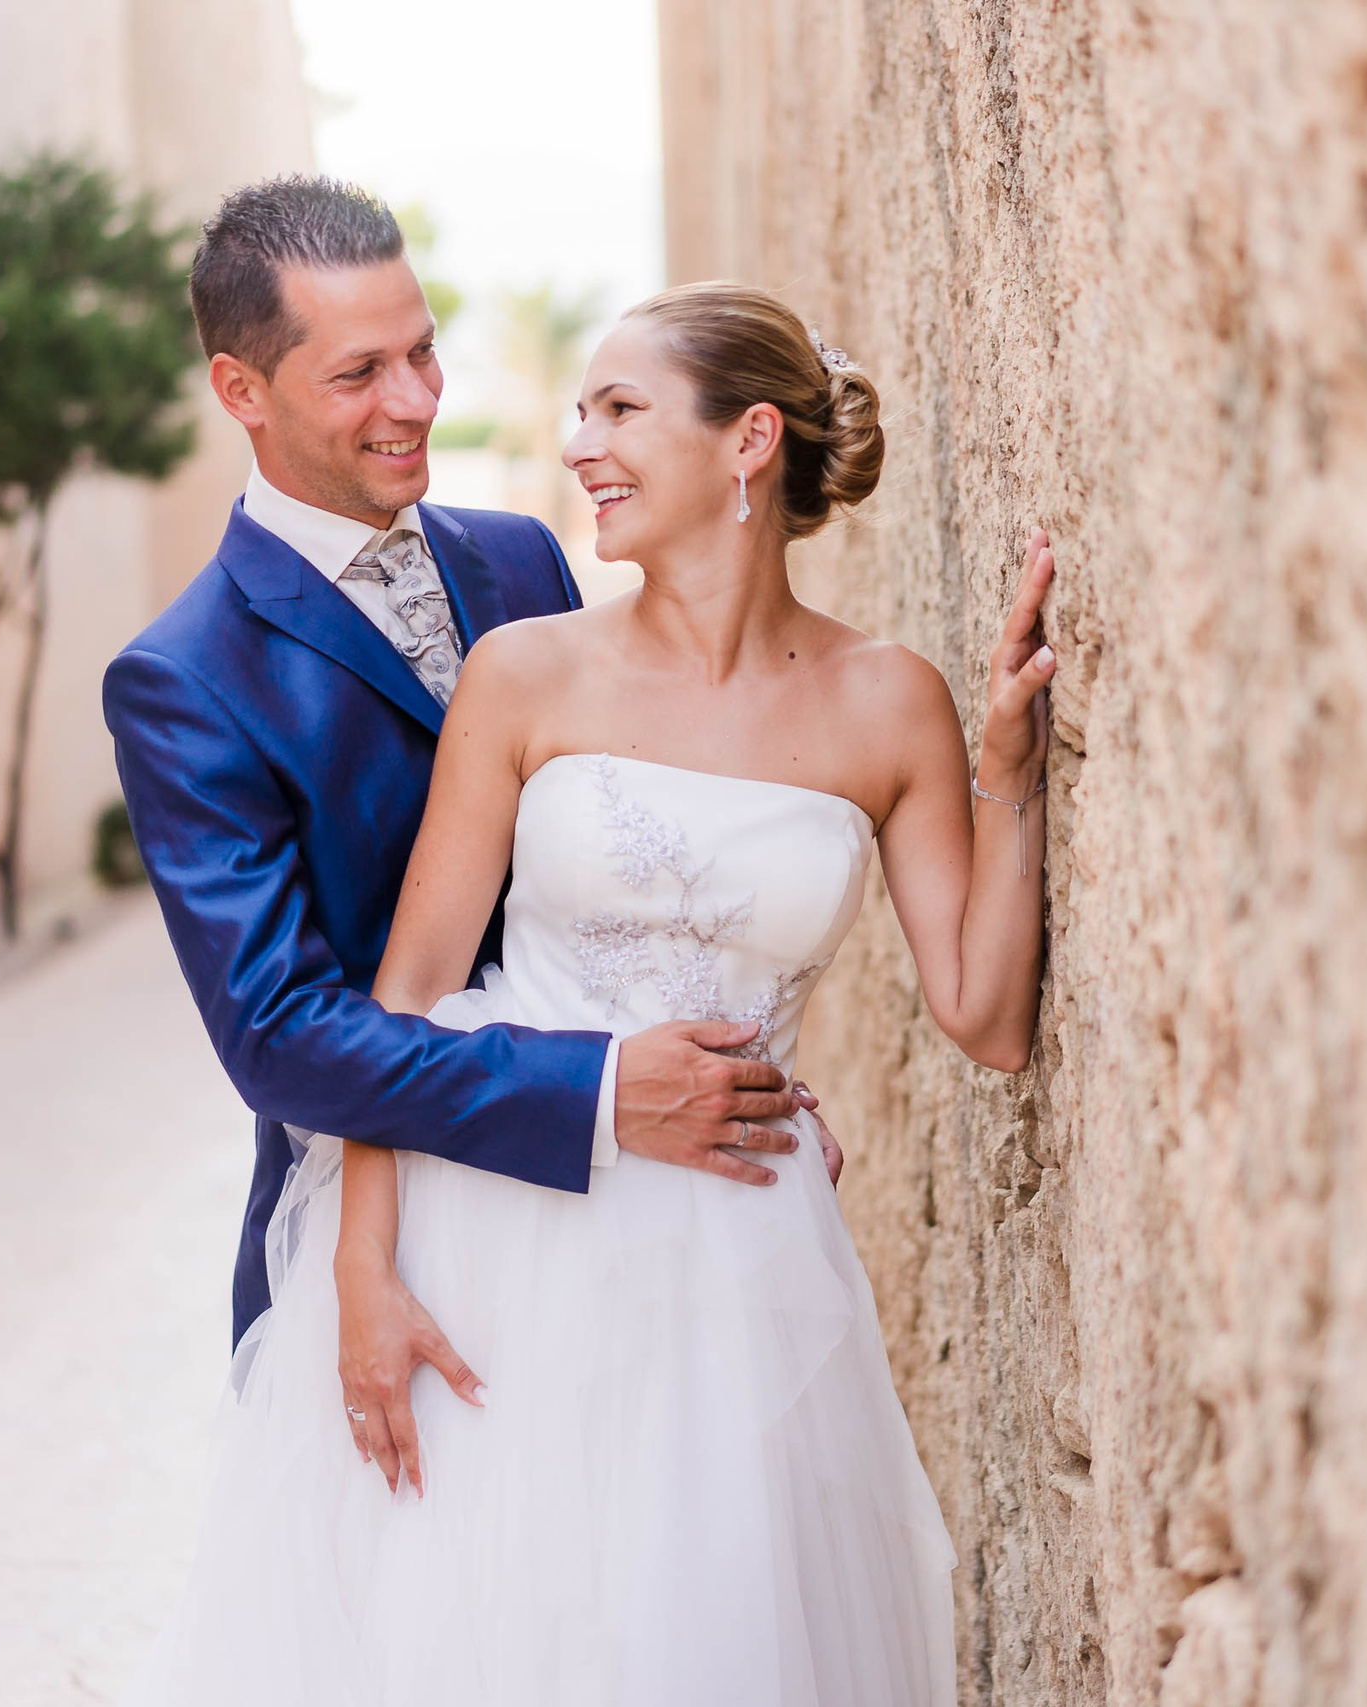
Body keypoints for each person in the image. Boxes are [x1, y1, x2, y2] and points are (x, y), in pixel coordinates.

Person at [129, 278, 1057, 1706]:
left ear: (749, 442)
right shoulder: (527, 669)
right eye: (583, 409)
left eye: (618, 408)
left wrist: (1010, 773)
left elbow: (987, 1018)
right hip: (497, 1237)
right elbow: (410, 990)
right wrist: (362, 1269)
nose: (578, 444)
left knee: (712, 1637)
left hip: (744, 1254)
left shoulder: (893, 701)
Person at [104, 178, 834, 1382]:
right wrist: (604, 1087)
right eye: (357, 375)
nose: (413, 403)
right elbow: (281, 1037)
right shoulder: (185, 677)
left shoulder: (520, 559)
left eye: (424, 353)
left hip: (654, 1198)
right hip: (384, 1249)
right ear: (242, 390)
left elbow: (633, 851)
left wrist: (729, 1077)